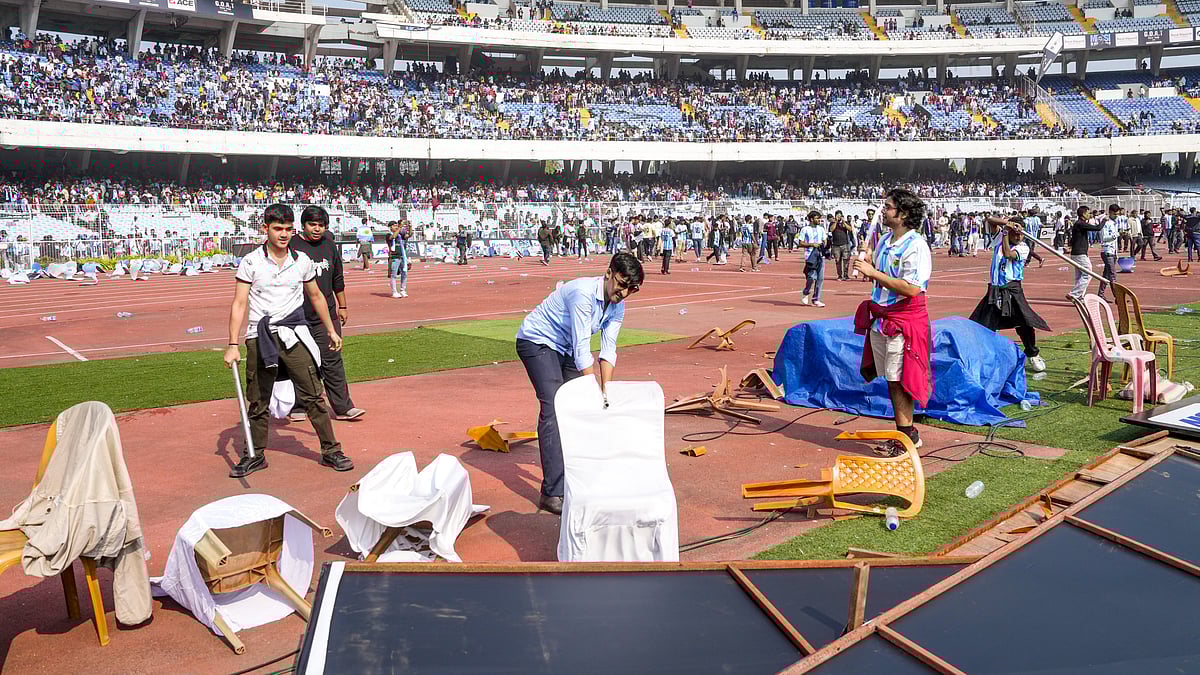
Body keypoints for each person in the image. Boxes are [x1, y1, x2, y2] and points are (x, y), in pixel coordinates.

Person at [223, 204, 354, 478]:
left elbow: (317, 296)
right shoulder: (251, 262)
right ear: (265, 229)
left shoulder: (302, 260)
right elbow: (239, 303)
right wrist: (233, 344)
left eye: (287, 229)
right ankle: (255, 454)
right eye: (277, 229)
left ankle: (331, 450)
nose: (283, 234)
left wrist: (331, 329)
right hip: (261, 337)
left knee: (313, 396)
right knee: (258, 400)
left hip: (294, 336)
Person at [515, 252, 644, 514]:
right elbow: (582, 346)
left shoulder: (618, 305)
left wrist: (606, 392)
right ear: (609, 273)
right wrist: (592, 389)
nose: (624, 292)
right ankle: (552, 493)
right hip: (538, 342)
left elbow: (608, 348)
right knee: (553, 407)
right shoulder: (583, 293)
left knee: (578, 411)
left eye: (631, 288)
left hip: (566, 349)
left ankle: (578, 479)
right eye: (621, 284)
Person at [852, 188, 933, 457]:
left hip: (903, 320)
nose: (883, 210)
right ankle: (905, 432)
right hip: (882, 318)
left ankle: (907, 436)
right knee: (891, 377)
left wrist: (873, 271)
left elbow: (911, 288)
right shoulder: (886, 240)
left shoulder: (916, 246)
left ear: (904, 213)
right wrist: (869, 265)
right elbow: (881, 275)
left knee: (900, 378)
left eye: (888, 207)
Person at [287, 205, 366, 423]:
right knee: (301, 362)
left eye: (321, 225)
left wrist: (343, 306)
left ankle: (342, 407)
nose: (317, 229)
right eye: (313, 224)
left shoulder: (329, 246)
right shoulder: (292, 246)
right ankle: (300, 405)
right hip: (296, 315)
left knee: (332, 359)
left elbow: (337, 279)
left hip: (326, 315)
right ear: (303, 225)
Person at [969, 217, 1050, 374]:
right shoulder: (1001, 236)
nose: (1018, 236)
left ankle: (1033, 354)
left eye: (1021, 234)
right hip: (995, 289)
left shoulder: (1023, 248)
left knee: (1024, 323)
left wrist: (1006, 231)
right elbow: (989, 220)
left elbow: (1007, 254)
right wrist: (1006, 224)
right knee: (984, 325)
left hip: (1013, 289)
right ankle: (984, 357)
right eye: (1015, 233)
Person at [1067, 205, 1103, 299]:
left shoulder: (1079, 224)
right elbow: (1097, 228)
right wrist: (1104, 220)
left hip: (1078, 253)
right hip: (1079, 253)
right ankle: (1074, 294)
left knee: (1079, 276)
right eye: (1088, 213)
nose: (1089, 215)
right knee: (1088, 274)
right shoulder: (1080, 224)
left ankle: (1079, 296)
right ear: (1083, 214)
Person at [798, 210, 827, 307]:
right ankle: (806, 292)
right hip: (810, 255)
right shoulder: (805, 229)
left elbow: (824, 240)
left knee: (820, 278)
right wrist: (811, 244)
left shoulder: (821, 229)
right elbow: (800, 243)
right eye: (817, 218)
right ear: (811, 219)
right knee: (811, 277)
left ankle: (816, 299)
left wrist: (825, 245)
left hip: (820, 255)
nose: (819, 220)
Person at [1097, 204, 1120, 301]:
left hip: (1113, 251)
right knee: (1112, 274)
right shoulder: (1106, 223)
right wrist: (1116, 235)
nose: (1116, 216)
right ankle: (1118, 297)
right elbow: (1103, 238)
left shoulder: (1115, 223)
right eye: (1115, 214)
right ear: (1110, 212)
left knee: (1106, 274)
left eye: (1117, 214)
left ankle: (1100, 294)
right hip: (1107, 251)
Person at [387, 220, 411, 298]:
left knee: (404, 274)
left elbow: (409, 235)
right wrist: (400, 227)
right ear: (390, 227)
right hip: (394, 257)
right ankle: (394, 291)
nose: (396, 227)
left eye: (396, 225)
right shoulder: (388, 235)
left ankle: (402, 290)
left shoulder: (400, 235)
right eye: (394, 226)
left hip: (402, 256)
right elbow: (393, 237)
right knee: (393, 275)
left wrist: (410, 227)